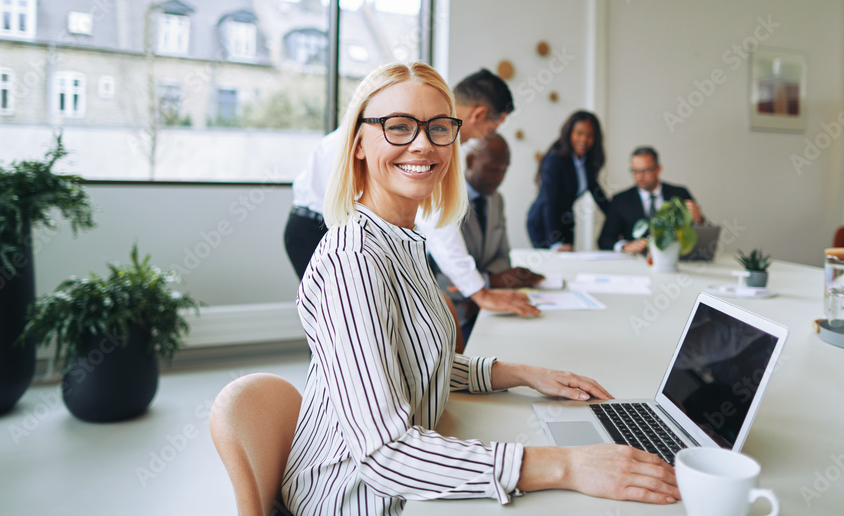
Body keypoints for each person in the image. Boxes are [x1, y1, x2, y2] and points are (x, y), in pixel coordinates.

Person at [281, 62, 679, 515]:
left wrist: (523, 374)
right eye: (398, 127)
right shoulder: (354, 262)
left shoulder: (399, 240)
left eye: (438, 129)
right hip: (352, 500)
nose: (423, 144)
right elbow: (385, 456)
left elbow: (415, 363)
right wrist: (568, 465)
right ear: (357, 145)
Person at [284, 69, 539, 319]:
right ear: (479, 114)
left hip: (354, 226)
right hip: (315, 226)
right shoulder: (349, 251)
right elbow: (438, 225)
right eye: (494, 126)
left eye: (438, 128)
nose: (421, 144)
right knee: (338, 321)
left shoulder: (436, 143)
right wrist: (479, 292)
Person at [435, 132, 544, 344]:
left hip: (491, 307)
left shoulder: (497, 200)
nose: (498, 178)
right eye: (492, 169)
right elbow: (439, 273)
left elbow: (503, 257)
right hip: (452, 314)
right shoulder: (444, 200)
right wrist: (487, 283)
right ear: (470, 161)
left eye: (504, 171)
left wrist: (488, 286)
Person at [526, 110, 610, 250]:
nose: (584, 140)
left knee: (568, 263)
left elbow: (597, 193)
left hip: (566, 221)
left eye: (590, 135)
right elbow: (549, 202)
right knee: (552, 265)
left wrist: (618, 217)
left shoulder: (586, 162)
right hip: (544, 222)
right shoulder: (555, 160)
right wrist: (555, 242)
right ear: (569, 133)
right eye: (580, 133)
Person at [598, 146, 704, 253]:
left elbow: (702, 233)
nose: (639, 176)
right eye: (635, 171)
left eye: (645, 171)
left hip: (673, 255)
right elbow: (604, 240)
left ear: (658, 169)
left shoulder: (679, 194)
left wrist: (698, 219)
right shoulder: (620, 200)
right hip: (636, 261)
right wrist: (624, 247)